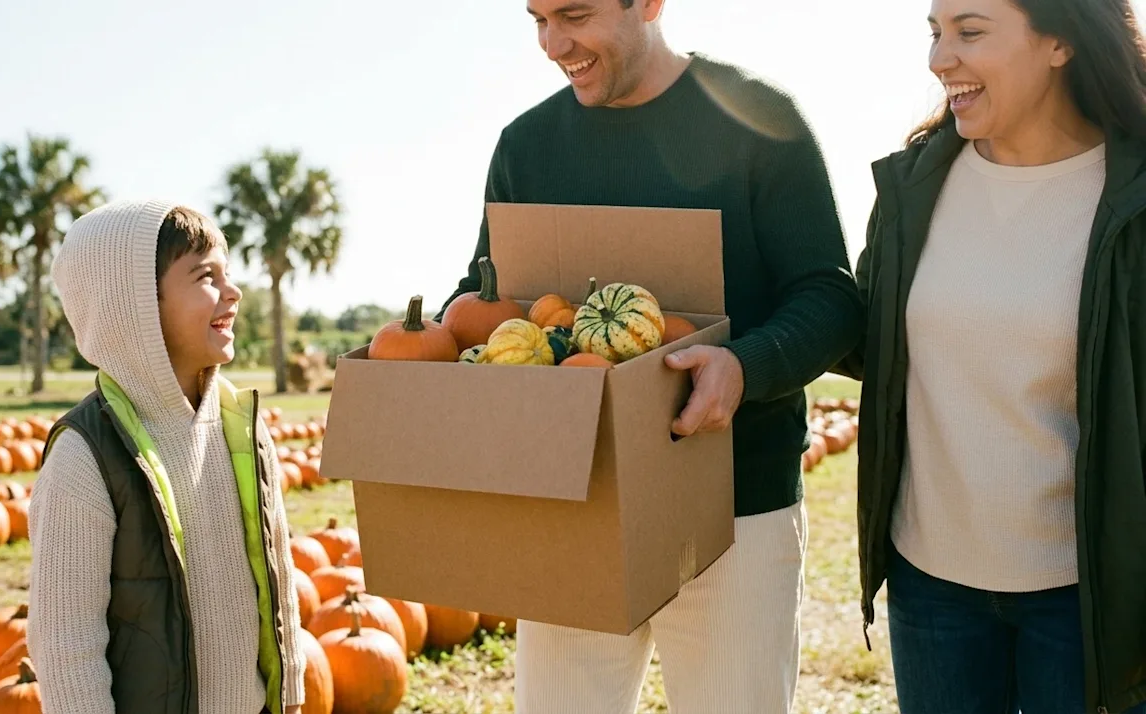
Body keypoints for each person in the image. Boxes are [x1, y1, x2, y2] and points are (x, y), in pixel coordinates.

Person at [436, 1, 864, 711]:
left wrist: (744, 366)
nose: (552, 43)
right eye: (537, 18)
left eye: (573, 14)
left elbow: (830, 297)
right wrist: (433, 345)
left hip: (734, 510)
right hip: (571, 505)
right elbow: (489, 293)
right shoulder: (528, 145)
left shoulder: (760, 120)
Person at [838, 0, 1146, 711]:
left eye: (970, 32)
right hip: (931, 585)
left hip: (1085, 599)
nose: (940, 59)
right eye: (936, 33)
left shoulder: (1130, 196)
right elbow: (867, 337)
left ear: (1061, 41)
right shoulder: (914, 188)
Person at [27, 200, 305, 714]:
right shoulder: (84, 458)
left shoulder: (242, 427)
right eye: (205, 275)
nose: (233, 291)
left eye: (228, 272)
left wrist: (289, 695)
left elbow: (278, 576)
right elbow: (67, 650)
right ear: (132, 306)